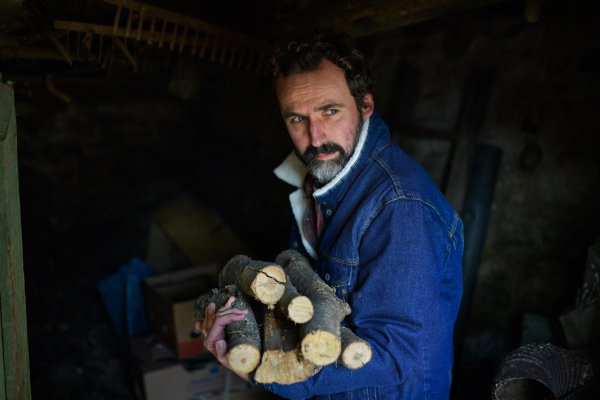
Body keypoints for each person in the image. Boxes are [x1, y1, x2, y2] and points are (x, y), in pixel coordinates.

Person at [198, 30, 464, 400]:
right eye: (297, 119)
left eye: (330, 110)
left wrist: (265, 372)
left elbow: (393, 357)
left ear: (365, 104)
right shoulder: (317, 182)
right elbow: (304, 306)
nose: (316, 135)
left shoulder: (400, 207)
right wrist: (243, 331)